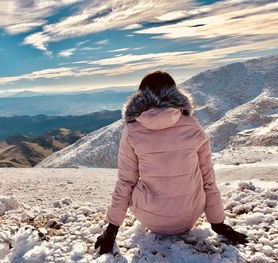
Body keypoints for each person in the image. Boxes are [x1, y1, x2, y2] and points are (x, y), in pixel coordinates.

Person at [94, 71, 248, 255]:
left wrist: (111, 231)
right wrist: (219, 224)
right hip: (189, 215)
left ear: (141, 95)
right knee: (199, 172)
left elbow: (125, 182)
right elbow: (208, 178)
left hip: (151, 218)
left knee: (130, 181)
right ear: (174, 93)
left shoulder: (132, 130)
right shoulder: (192, 125)